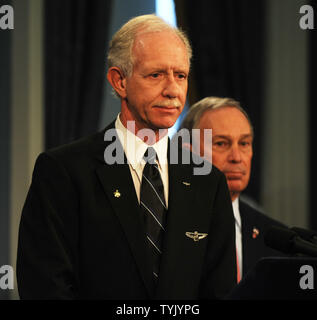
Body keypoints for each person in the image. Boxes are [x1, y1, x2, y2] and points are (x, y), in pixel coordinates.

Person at [17, 15, 236, 299]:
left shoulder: (208, 181)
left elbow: (220, 292)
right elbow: (45, 286)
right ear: (119, 81)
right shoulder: (64, 171)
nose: (172, 90)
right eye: (156, 75)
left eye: (180, 75)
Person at [180, 96, 286, 279]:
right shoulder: (164, 224)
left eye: (244, 143)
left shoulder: (276, 238)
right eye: (221, 143)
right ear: (189, 153)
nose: (237, 157)